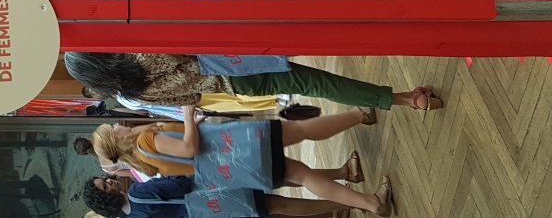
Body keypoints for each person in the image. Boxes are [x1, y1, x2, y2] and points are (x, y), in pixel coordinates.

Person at [90, 109, 394, 215]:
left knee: (298, 175)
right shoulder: (144, 144)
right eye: (112, 128)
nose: (117, 124)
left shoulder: (142, 161)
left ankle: (366, 199)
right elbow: (189, 148)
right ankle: (359, 117)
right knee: (299, 136)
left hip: (232, 167)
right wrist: (187, 115)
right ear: (115, 138)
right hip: (236, 148)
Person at [63, 52, 444, 111]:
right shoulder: (138, 55)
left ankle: (403, 98)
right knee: (314, 46)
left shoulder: (132, 94)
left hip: (235, 86)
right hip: (232, 56)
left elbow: (190, 101)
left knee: (315, 84)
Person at [84, 174, 358, 218]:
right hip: (214, 194)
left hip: (215, 212)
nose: (110, 182)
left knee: (278, 208)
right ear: (107, 198)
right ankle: (350, 200)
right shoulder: (138, 192)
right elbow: (180, 185)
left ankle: (341, 205)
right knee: (279, 196)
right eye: (106, 187)